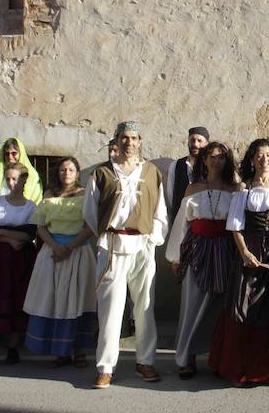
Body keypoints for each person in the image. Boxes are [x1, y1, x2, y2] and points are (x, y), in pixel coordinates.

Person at [83, 121, 167, 388]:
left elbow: (160, 210)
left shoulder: (151, 172)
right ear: (117, 140)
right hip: (113, 245)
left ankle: (145, 361)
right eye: (124, 137)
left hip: (142, 244)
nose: (129, 142)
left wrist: (152, 238)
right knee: (110, 309)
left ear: (140, 141)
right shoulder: (101, 173)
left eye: (133, 138)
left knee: (145, 307)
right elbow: (90, 212)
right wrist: (106, 235)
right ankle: (105, 367)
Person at [209, 138, 269, 387]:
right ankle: (240, 367)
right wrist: (244, 252)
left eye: (268, 155)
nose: (263, 159)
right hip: (249, 250)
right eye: (259, 155)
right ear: (252, 160)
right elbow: (235, 226)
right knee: (243, 305)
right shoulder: (243, 187)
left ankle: (268, 370)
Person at [166, 141, 240, 379]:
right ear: (204, 160)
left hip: (225, 251)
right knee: (192, 303)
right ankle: (186, 357)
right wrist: (176, 258)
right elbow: (182, 224)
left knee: (220, 307)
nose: (216, 161)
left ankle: (217, 357)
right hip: (197, 250)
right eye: (212, 156)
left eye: (221, 157)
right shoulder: (193, 189)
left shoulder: (235, 189)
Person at [23, 157, 96, 368]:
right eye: (63, 169)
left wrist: (69, 248)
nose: (66, 173)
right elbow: (40, 226)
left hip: (78, 253)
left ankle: (79, 350)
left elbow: (90, 227)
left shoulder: (85, 195)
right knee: (54, 301)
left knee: (77, 301)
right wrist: (56, 247)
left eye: (71, 169)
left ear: (77, 173)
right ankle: (59, 351)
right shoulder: (49, 195)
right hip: (52, 254)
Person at [0, 162, 38, 369]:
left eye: (15, 178)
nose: (11, 183)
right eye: (8, 179)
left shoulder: (30, 207)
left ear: (24, 180)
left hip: (21, 260)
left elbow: (28, 234)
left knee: (17, 299)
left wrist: (2, 233)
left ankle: (13, 347)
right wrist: (11, 239)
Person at [165, 127, 210, 221]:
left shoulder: (212, 166)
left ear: (207, 144)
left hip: (204, 220)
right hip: (181, 220)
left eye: (199, 141)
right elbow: (171, 196)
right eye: (192, 140)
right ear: (188, 142)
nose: (195, 144)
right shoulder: (176, 165)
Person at [0, 138, 43, 204]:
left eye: (14, 153)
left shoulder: (32, 175)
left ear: (20, 154)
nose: (10, 157)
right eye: (7, 154)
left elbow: (32, 200)